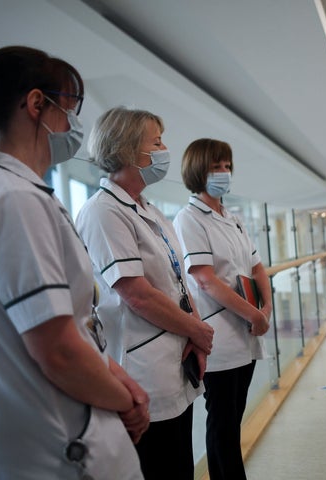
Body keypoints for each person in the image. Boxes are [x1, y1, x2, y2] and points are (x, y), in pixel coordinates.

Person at [0, 46, 148, 479]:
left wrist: (119, 379)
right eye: (70, 108)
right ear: (35, 104)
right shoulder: (11, 201)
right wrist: (130, 402)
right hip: (55, 454)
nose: (74, 126)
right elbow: (59, 350)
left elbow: (73, 331)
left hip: (57, 445)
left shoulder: (7, 195)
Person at [75, 107, 215, 479]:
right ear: (126, 149)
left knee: (179, 465)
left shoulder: (149, 210)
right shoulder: (102, 211)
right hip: (142, 369)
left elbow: (177, 282)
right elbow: (136, 293)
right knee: (159, 467)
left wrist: (196, 334)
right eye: (156, 142)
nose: (164, 149)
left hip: (174, 362)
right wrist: (197, 330)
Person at [173, 138, 272, 480]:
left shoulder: (232, 218)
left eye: (227, 166)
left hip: (244, 331)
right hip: (220, 336)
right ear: (198, 170)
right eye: (216, 166)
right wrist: (253, 313)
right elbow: (205, 280)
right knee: (223, 427)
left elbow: (257, 267)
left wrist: (267, 306)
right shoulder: (189, 219)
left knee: (232, 422)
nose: (224, 173)